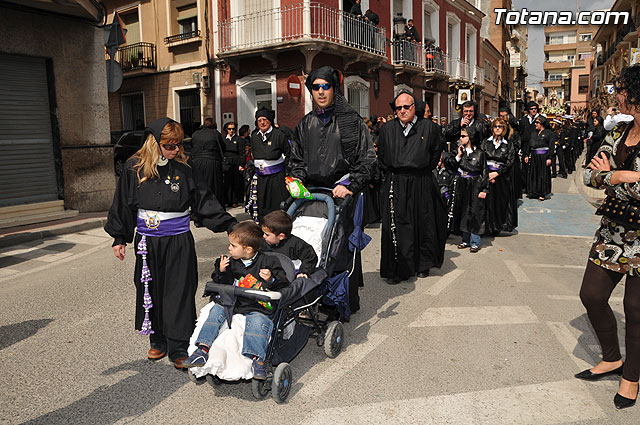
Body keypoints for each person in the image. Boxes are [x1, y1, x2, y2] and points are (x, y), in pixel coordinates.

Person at [104, 118, 236, 369]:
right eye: (169, 146)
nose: (175, 150)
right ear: (154, 143)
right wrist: (120, 237)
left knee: (178, 291)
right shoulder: (134, 167)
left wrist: (228, 225)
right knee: (150, 290)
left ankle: (178, 345)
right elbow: (123, 203)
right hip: (147, 243)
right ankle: (158, 341)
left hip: (177, 240)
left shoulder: (184, 168)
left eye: (178, 145)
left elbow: (203, 201)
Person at [578, 64, 640, 410]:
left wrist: (614, 177)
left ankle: (631, 377)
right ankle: (612, 357)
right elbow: (590, 176)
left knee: (636, 310)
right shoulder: (617, 135)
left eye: (622, 91)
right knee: (591, 295)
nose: (617, 96)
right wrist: (622, 176)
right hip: (613, 232)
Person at [291, 65, 376, 314]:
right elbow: (296, 160)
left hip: (342, 194)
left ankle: (340, 303)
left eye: (325, 86)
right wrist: (296, 180)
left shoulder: (351, 122)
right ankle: (311, 295)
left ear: (334, 89)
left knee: (340, 251)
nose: (320, 91)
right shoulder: (305, 124)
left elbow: (367, 159)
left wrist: (348, 184)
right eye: (315, 87)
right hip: (313, 196)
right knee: (314, 246)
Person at [182, 221, 287, 379]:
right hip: (233, 302)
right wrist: (222, 271)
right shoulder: (229, 262)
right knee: (215, 310)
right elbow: (220, 282)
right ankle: (202, 350)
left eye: (233, 246)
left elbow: (283, 283)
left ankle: (257, 360)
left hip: (256, 306)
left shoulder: (269, 262)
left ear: (248, 249)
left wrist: (271, 279)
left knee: (259, 322)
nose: (229, 248)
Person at [377, 90, 446, 282]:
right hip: (396, 181)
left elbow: (434, 155)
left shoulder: (429, 128)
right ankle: (396, 269)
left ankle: (422, 265)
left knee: (423, 222)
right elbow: (381, 156)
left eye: (406, 107)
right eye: (398, 108)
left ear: (414, 107)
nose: (402, 111)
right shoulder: (387, 129)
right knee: (396, 226)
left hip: (422, 180)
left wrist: (419, 168)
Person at [445, 127, 488, 252]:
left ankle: (475, 241)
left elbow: (484, 172)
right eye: (461, 136)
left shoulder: (480, 153)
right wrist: (458, 155)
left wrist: (484, 189)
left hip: (474, 185)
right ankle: (465, 239)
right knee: (463, 212)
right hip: (461, 184)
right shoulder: (459, 151)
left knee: (474, 212)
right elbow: (451, 165)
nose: (460, 138)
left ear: (470, 137)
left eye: (463, 136)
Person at [247, 107, 290, 223]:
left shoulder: (279, 135)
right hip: (260, 178)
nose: (262, 122)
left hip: (276, 177)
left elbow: (289, 154)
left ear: (270, 120)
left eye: (265, 119)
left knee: (276, 205)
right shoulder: (254, 136)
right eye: (259, 120)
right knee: (261, 204)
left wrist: (287, 173)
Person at [483, 117, 517, 236]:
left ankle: (497, 226)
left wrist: (497, 173)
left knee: (499, 202)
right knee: (487, 202)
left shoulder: (509, 145)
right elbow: (482, 159)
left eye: (500, 126)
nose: (497, 128)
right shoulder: (486, 142)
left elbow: (509, 162)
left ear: (504, 129)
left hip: (501, 178)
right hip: (487, 176)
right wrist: (488, 174)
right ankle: (487, 227)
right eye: (495, 126)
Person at [261, 210, 318, 278]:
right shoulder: (264, 243)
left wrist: (304, 271)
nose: (263, 236)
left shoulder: (295, 244)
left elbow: (310, 256)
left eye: (267, 235)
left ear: (281, 236)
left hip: (289, 275)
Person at [190, 117, 226, 208]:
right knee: (213, 186)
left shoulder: (195, 134)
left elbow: (192, 146)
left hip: (197, 162)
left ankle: (199, 208)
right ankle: (214, 208)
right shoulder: (216, 134)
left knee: (199, 186)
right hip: (212, 163)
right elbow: (222, 147)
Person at [525, 116, 554, 201]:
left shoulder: (549, 133)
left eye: (537, 123)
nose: (535, 124)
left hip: (543, 157)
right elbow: (529, 145)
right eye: (535, 122)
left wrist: (549, 157)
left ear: (542, 123)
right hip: (534, 156)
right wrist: (527, 155)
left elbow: (551, 146)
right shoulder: (534, 133)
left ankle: (542, 193)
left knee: (542, 175)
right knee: (534, 174)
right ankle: (534, 192)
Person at [519, 101, 541, 193]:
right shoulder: (524, 120)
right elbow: (520, 132)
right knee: (525, 168)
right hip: (525, 147)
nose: (533, 110)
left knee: (536, 168)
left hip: (536, 147)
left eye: (535, 109)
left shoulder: (540, 119)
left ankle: (535, 187)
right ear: (528, 110)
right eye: (531, 109)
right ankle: (526, 186)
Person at [222, 121, 245, 208]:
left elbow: (242, 153)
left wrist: (241, 164)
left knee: (236, 182)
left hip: (236, 163)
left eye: (233, 129)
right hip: (226, 163)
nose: (231, 131)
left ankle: (235, 200)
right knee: (227, 183)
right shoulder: (224, 139)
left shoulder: (238, 139)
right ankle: (227, 200)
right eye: (229, 129)